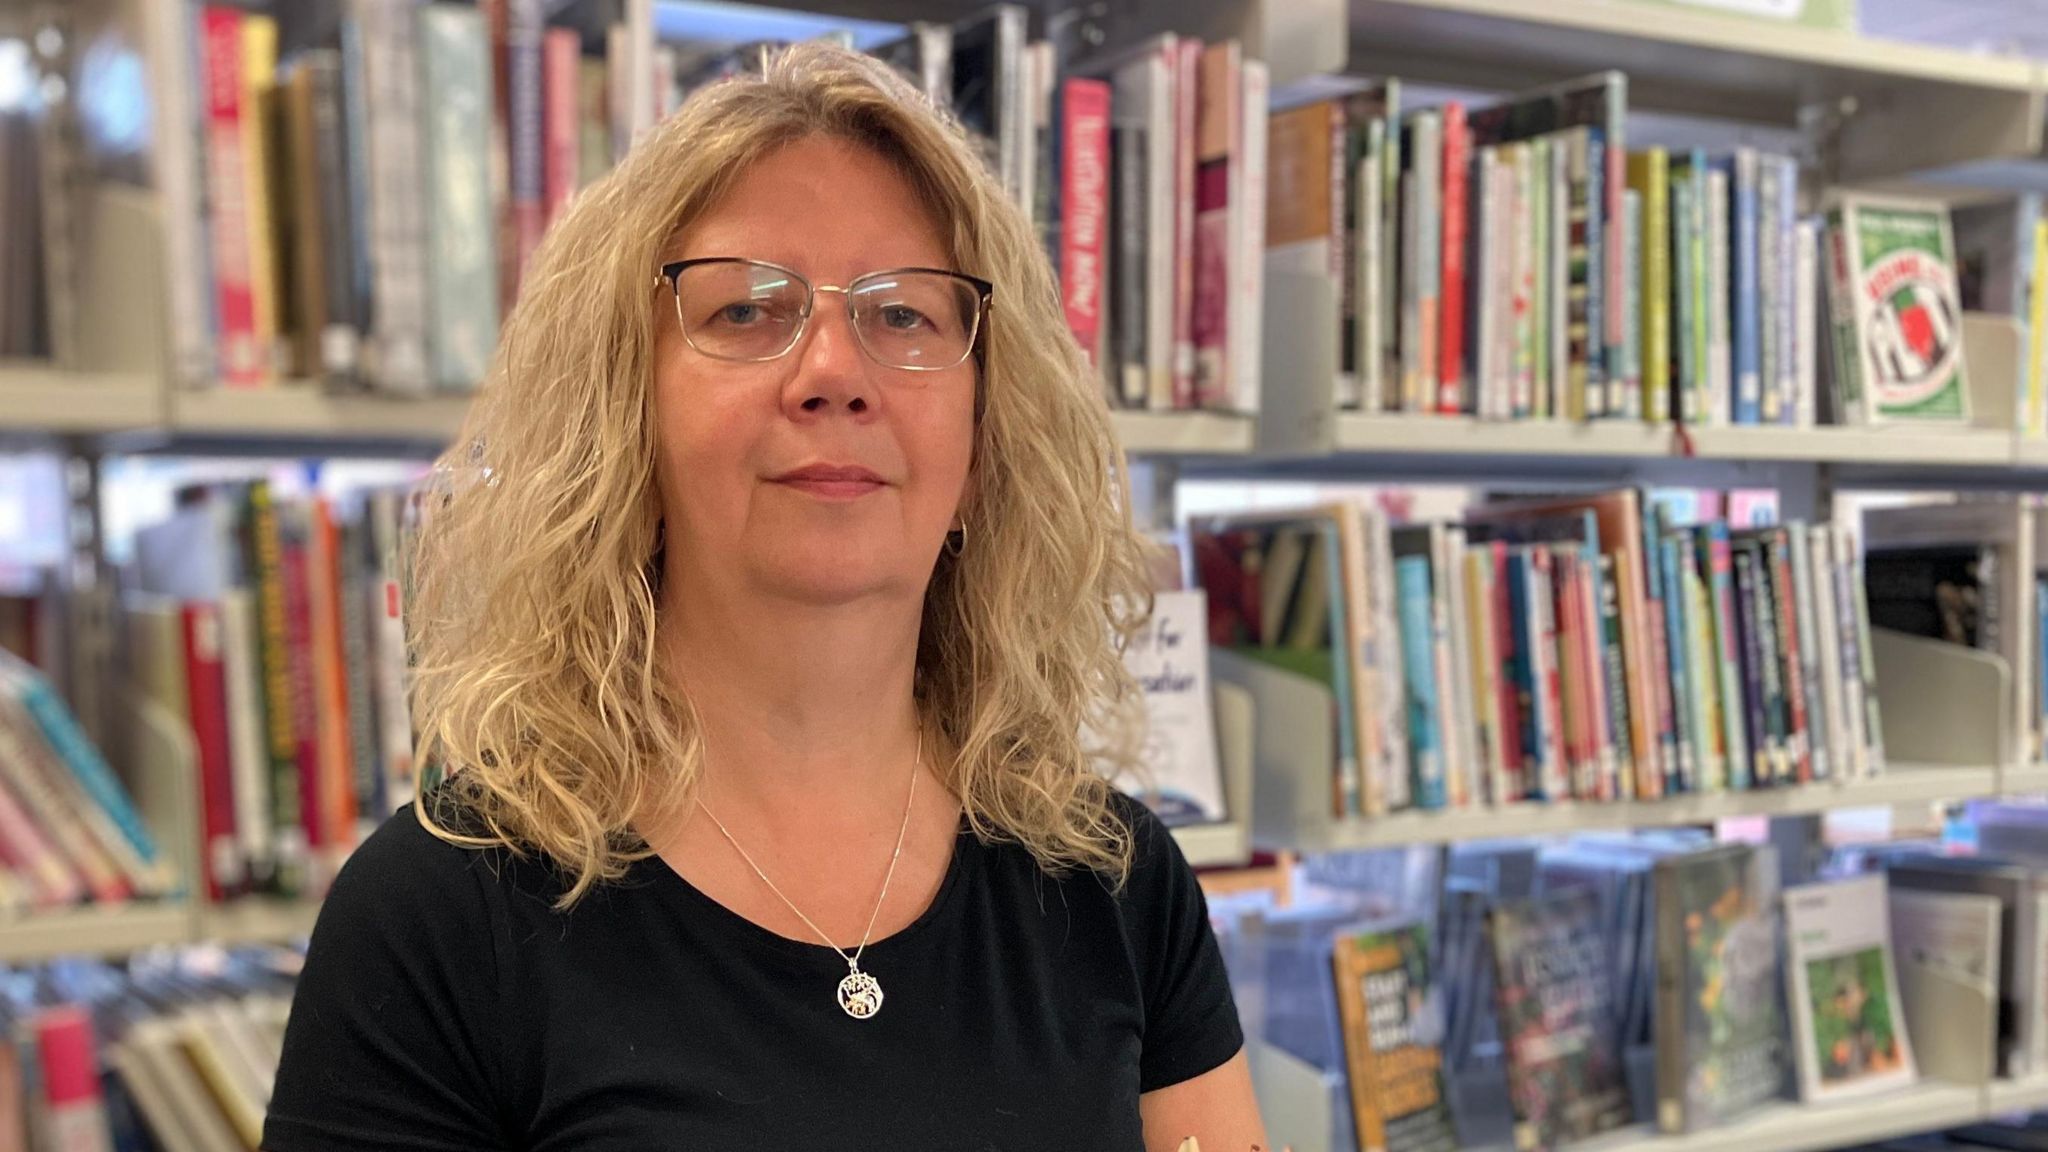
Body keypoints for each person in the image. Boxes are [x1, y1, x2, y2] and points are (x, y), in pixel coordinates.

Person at [261, 40, 1267, 1152]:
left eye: (905, 316)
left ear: (983, 442)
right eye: (746, 310)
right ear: (623, 420)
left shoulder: (1115, 883)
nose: (834, 371)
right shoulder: (438, 919)